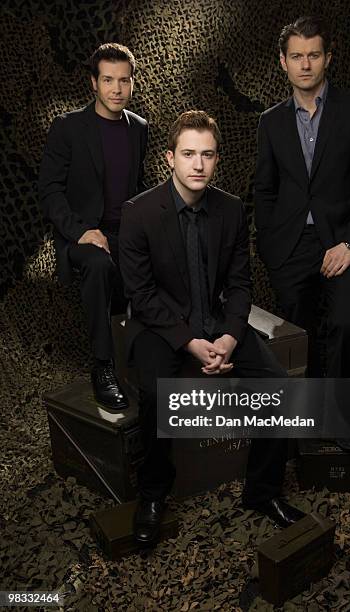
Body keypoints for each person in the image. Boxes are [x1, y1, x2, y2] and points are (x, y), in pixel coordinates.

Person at [119, 110, 305, 548]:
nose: (198, 164)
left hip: (219, 322)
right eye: (188, 154)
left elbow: (241, 284)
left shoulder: (233, 210)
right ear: (169, 158)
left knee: (280, 386)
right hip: (162, 327)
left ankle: (263, 492)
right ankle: (153, 493)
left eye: (207, 154)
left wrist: (227, 337)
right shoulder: (138, 214)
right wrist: (189, 342)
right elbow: (141, 294)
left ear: (217, 159)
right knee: (153, 396)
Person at [254, 16, 350, 451]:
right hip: (290, 247)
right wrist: (272, 249)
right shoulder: (270, 122)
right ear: (283, 62)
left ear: (328, 58)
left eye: (313, 54)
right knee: (297, 334)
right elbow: (264, 189)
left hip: (342, 241)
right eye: (296, 56)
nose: (305, 64)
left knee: (346, 323)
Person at [39, 43, 148, 410]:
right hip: (81, 235)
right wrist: (80, 231)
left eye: (123, 80)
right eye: (107, 80)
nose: (116, 89)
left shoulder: (139, 129)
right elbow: (50, 191)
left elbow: (138, 187)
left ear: (132, 84)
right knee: (100, 265)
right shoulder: (68, 127)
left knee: (170, 251)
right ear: (93, 83)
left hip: (124, 233)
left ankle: (152, 361)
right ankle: (103, 367)